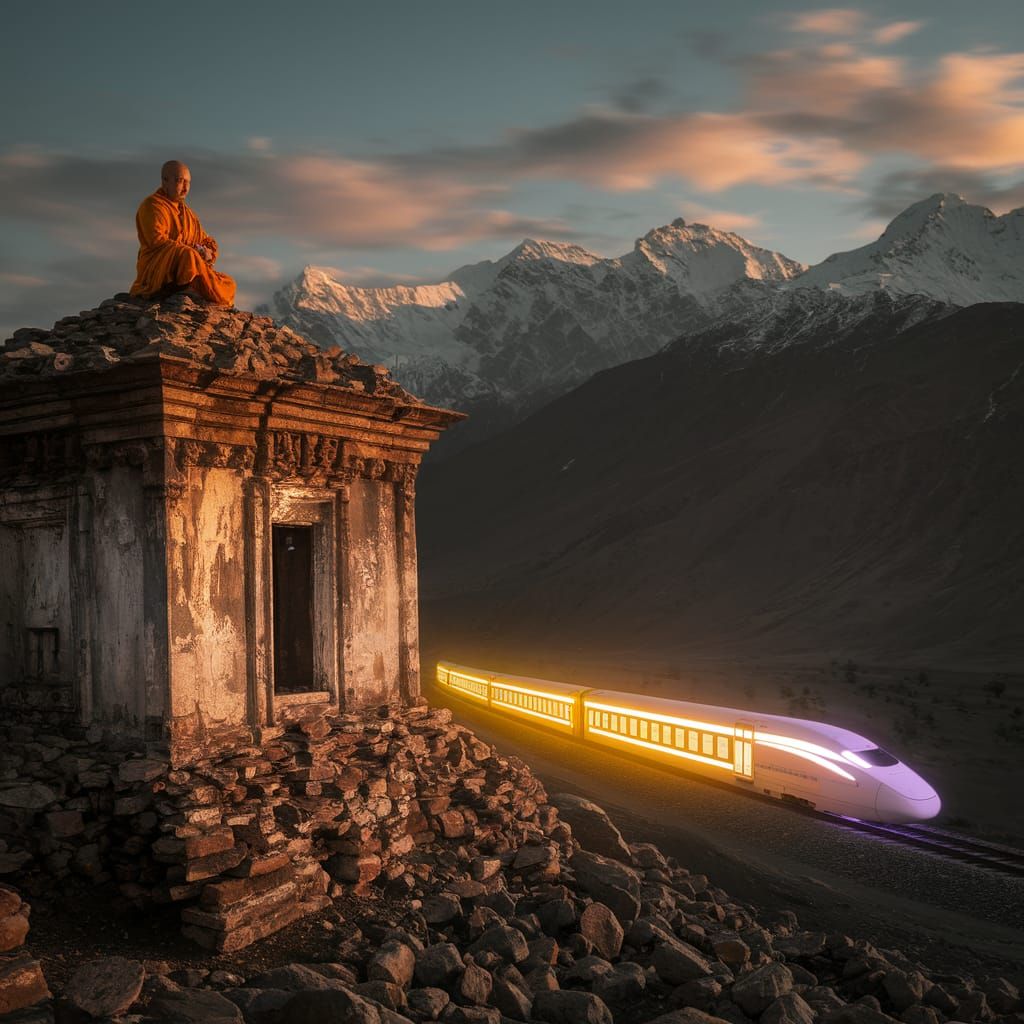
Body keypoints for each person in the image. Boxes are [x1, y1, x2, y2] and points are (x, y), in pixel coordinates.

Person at [130, 160, 236, 305]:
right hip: (158, 269)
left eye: (188, 182)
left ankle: (194, 287)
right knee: (188, 255)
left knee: (229, 283)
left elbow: (205, 240)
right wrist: (191, 251)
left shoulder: (188, 214)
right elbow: (156, 241)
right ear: (165, 181)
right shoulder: (152, 205)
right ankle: (184, 288)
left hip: (192, 265)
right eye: (180, 181)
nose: (185, 188)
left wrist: (207, 252)